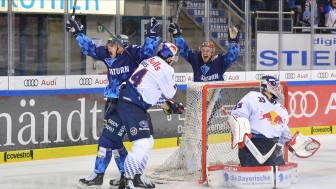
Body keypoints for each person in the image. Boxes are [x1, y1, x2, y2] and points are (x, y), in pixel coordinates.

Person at [66, 17, 161, 188]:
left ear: (121, 47)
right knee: (114, 142)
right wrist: (78, 32)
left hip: (128, 104)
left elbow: (147, 53)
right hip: (112, 102)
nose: (108, 47)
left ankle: (105, 175)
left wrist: (152, 36)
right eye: (108, 45)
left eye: (112, 45)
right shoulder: (108, 54)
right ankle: (127, 175)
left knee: (108, 140)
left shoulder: (133, 53)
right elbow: (90, 49)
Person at [116, 42, 184, 189]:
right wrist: (171, 102)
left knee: (149, 141)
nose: (173, 60)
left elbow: (150, 91)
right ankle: (126, 181)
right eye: (173, 57)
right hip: (131, 104)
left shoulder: (149, 60)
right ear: (168, 56)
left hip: (133, 103)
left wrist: (168, 104)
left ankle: (137, 177)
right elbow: (170, 93)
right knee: (142, 144)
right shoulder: (167, 69)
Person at [230, 76, 292, 167]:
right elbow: (237, 115)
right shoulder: (253, 97)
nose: (279, 89)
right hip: (253, 144)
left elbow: (285, 134)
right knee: (251, 177)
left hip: (274, 147)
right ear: (268, 86)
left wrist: (291, 142)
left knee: (277, 177)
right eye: (277, 86)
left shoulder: (282, 109)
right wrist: (242, 131)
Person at [168, 22, 240, 82]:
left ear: (212, 53)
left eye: (208, 51)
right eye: (203, 50)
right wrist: (177, 36)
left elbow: (231, 58)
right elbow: (184, 50)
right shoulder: (196, 58)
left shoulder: (219, 61)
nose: (205, 52)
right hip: (200, 98)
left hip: (216, 98)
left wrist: (233, 42)